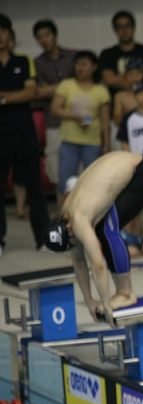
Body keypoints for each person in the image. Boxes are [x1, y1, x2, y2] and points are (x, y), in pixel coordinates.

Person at [43, 151, 143, 323]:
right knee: (102, 230)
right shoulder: (67, 213)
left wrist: (106, 305)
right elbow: (79, 262)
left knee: (107, 229)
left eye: (73, 240)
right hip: (131, 167)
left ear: (68, 227)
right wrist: (89, 301)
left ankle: (126, 293)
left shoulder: (79, 220)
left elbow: (98, 265)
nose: (76, 240)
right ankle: (121, 292)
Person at [0, 13, 50, 254]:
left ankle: (43, 237)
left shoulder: (24, 60)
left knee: (35, 187)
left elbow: (32, 93)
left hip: (25, 132)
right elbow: (23, 93)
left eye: (3, 31)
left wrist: (3, 97)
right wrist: (14, 96)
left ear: (10, 34)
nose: (0, 37)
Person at [51, 51, 111, 205]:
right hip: (69, 141)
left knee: (93, 183)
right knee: (65, 183)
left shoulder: (101, 90)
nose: (80, 68)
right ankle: (62, 218)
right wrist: (75, 117)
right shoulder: (67, 85)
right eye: (78, 64)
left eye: (84, 64)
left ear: (94, 67)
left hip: (92, 142)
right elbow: (55, 109)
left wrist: (106, 144)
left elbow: (105, 120)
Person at [32, 19, 76, 193]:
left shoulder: (73, 57)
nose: (44, 40)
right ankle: (61, 208)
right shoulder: (37, 63)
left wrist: (52, 89)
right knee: (56, 166)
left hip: (77, 118)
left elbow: (82, 84)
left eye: (47, 35)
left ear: (55, 36)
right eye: (39, 37)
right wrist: (68, 86)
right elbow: (38, 92)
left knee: (79, 168)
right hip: (54, 120)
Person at [98, 10, 143, 94]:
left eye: (127, 26)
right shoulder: (107, 54)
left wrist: (121, 78)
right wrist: (138, 76)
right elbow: (109, 79)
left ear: (133, 27)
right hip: (118, 100)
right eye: (120, 27)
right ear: (115, 30)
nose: (124, 30)